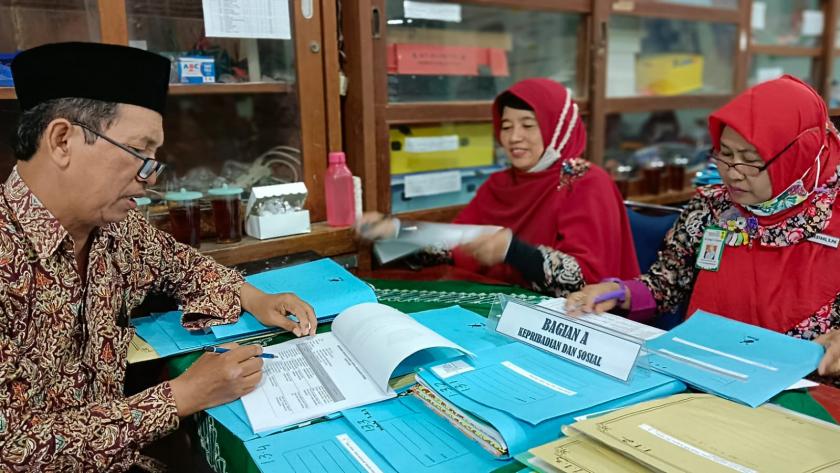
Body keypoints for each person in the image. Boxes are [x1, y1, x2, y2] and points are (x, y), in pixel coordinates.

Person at [0, 42, 317, 471]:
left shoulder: (116, 228)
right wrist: (183, 396)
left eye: (153, 159)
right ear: (62, 141)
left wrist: (254, 297)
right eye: (138, 154)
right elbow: (12, 448)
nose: (149, 178)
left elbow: (179, 263)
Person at [566, 75, 840, 376]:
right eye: (725, 154)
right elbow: (666, 284)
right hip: (706, 377)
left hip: (802, 399)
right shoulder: (712, 209)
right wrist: (616, 292)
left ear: (799, 153)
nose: (733, 174)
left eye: (751, 160)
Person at [357, 78, 640, 296]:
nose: (514, 137)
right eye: (506, 127)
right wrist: (398, 232)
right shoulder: (500, 184)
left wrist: (513, 251)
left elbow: (585, 278)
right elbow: (457, 243)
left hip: (570, 325)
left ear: (557, 127)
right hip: (504, 311)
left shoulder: (586, 182)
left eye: (528, 125)